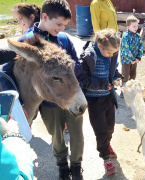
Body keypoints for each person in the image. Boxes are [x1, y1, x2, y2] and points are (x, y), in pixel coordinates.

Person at [0, 0, 84, 179]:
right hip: (48, 104)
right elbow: (5, 72)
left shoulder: (63, 38)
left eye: (65, 25)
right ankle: (62, 167)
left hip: (65, 94)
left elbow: (75, 66)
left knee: (77, 135)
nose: (61, 28)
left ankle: (76, 168)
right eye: (59, 24)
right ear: (44, 17)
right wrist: (16, 103)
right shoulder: (27, 41)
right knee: (57, 137)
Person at [78, 29, 122, 176]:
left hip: (108, 97)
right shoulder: (89, 57)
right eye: (109, 53)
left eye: (113, 53)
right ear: (100, 45)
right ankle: (105, 157)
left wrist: (117, 77)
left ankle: (107, 145)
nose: (111, 55)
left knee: (110, 127)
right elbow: (83, 79)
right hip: (95, 100)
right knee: (101, 130)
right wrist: (103, 84)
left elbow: (113, 70)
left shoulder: (111, 55)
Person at [120, 15, 143, 98]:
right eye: (134, 26)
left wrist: (138, 57)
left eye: (137, 25)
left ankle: (131, 90)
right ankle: (123, 91)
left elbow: (141, 47)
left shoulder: (138, 36)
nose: (136, 27)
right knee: (125, 76)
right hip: (126, 60)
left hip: (135, 60)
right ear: (128, 26)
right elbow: (126, 49)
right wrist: (131, 59)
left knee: (133, 75)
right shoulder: (125, 36)